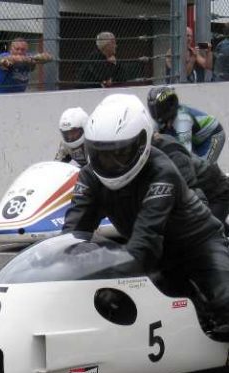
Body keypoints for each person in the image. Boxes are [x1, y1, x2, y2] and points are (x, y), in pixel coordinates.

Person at [62, 93, 229, 338]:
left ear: (141, 143)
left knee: (225, 303)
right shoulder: (90, 176)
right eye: (101, 153)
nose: (108, 162)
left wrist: (111, 280)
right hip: (156, 249)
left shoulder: (163, 168)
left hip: (196, 244)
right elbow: (72, 235)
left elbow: (145, 243)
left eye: (118, 152)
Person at [152, 133, 229, 226]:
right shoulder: (156, 150)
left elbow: (193, 194)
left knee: (206, 230)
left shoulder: (173, 155)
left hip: (216, 193)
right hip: (200, 183)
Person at [147, 86, 225, 163]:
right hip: (195, 137)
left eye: (159, 109)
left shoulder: (182, 120)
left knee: (204, 169)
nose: (156, 112)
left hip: (212, 136)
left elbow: (186, 155)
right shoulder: (159, 121)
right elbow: (153, 146)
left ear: (170, 105)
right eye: (153, 109)